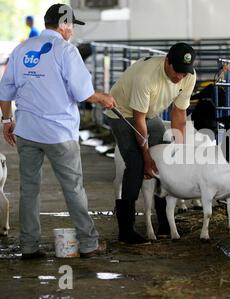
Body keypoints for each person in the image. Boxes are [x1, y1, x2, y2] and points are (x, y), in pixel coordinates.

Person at [0, 4, 116, 259]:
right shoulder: (66, 51)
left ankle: (29, 247)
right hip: (59, 133)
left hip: (27, 131)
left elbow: (5, 91)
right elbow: (83, 93)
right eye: (72, 25)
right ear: (63, 25)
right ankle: (88, 244)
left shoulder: (20, 50)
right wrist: (103, 98)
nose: (72, 31)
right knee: (73, 188)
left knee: (29, 190)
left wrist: (7, 121)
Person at [105, 42, 197, 244]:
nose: (180, 77)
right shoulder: (146, 76)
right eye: (178, 71)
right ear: (167, 62)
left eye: (185, 72)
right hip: (122, 112)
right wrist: (147, 158)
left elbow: (179, 113)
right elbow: (138, 122)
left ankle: (164, 222)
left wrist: (179, 149)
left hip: (150, 114)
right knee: (136, 164)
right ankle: (126, 230)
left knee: (164, 160)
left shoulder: (189, 76)